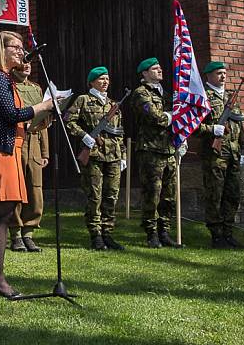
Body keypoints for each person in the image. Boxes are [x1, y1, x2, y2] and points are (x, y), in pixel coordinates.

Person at [0, 31, 56, 299]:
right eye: (16, 47)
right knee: (1, 213)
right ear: (2, 48)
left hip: (11, 150)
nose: (22, 52)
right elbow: (10, 114)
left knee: (7, 211)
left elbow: (15, 118)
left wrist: (37, 118)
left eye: (22, 48)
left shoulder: (6, 79)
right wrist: (42, 106)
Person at [66, 66, 126, 251]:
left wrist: (123, 155)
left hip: (114, 156)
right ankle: (96, 236)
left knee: (111, 196)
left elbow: (119, 133)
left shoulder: (113, 104)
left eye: (107, 78)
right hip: (93, 156)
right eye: (101, 79)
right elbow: (68, 120)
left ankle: (108, 234)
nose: (105, 81)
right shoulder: (83, 100)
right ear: (91, 82)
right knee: (95, 197)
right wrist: (84, 135)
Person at [130, 57, 182, 249]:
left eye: (160, 67)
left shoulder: (166, 94)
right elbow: (156, 117)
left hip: (168, 149)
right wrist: (173, 115)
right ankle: (151, 233)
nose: (160, 70)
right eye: (155, 68)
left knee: (169, 195)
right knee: (153, 192)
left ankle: (164, 231)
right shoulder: (140, 93)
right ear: (144, 73)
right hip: (150, 149)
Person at [196, 61, 244, 248]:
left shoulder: (229, 96)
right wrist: (212, 129)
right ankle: (216, 235)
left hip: (233, 154)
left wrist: (243, 151)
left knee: (232, 195)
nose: (223, 76)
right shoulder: (203, 98)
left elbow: (239, 127)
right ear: (208, 76)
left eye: (224, 73)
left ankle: (228, 233)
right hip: (215, 156)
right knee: (215, 195)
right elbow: (193, 127)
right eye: (219, 73)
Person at [9, 62, 50, 252]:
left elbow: (43, 119)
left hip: (34, 140)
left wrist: (44, 152)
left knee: (35, 188)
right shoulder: (8, 86)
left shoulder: (36, 89)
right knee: (16, 188)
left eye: (29, 63)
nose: (27, 66)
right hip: (16, 140)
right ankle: (16, 234)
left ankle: (29, 232)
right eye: (23, 62)